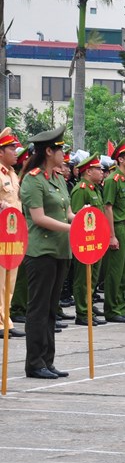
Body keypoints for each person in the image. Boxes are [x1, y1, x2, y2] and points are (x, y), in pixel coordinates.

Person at [20, 126, 75, 379]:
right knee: (39, 309)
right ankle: (34, 363)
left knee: (52, 309)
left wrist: (85, 221)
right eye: (60, 148)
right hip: (40, 252)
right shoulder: (32, 179)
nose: (64, 153)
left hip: (61, 250)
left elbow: (68, 213)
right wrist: (71, 228)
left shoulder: (58, 178)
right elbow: (39, 218)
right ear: (49, 151)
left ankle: (48, 360)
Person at [69, 153, 109, 326]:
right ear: (87, 171)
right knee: (82, 278)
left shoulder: (94, 189)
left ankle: (89, 308)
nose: (101, 172)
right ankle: (82, 313)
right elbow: (77, 219)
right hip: (85, 241)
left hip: (96, 239)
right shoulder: (81, 190)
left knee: (92, 277)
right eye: (98, 169)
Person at [102, 141, 125, 323]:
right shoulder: (112, 180)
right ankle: (112, 309)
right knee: (115, 272)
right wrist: (111, 236)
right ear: (120, 159)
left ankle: (122, 308)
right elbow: (107, 208)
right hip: (117, 227)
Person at [0, 127, 25, 338]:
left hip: (14, 233)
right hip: (1, 233)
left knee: (10, 279)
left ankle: (5, 319)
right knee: (0, 280)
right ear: (0, 152)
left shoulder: (12, 174)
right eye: (11, 148)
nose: (15, 152)